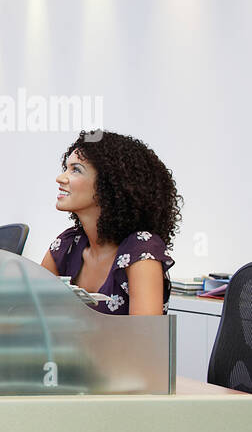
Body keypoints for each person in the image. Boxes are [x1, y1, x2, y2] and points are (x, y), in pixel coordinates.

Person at [41, 130, 181, 315]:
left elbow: (145, 340)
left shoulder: (141, 251)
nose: (61, 178)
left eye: (76, 170)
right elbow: (31, 314)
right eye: (66, 168)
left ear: (108, 185)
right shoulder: (67, 245)